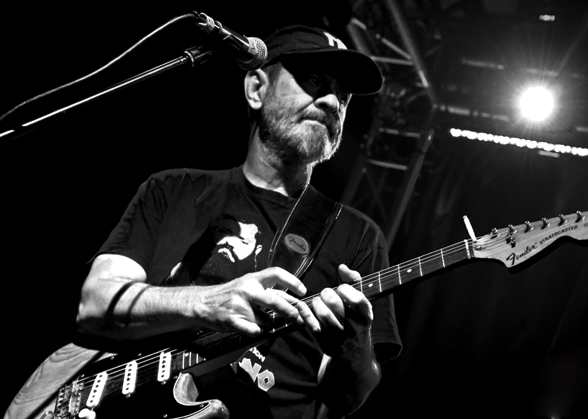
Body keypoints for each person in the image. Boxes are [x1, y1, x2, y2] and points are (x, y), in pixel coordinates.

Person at [75, 24, 402, 419]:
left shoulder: (358, 236)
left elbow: (347, 398)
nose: (333, 101)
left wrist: (354, 345)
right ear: (256, 88)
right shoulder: (174, 189)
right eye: (316, 81)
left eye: (343, 96)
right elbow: (95, 304)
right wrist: (208, 302)